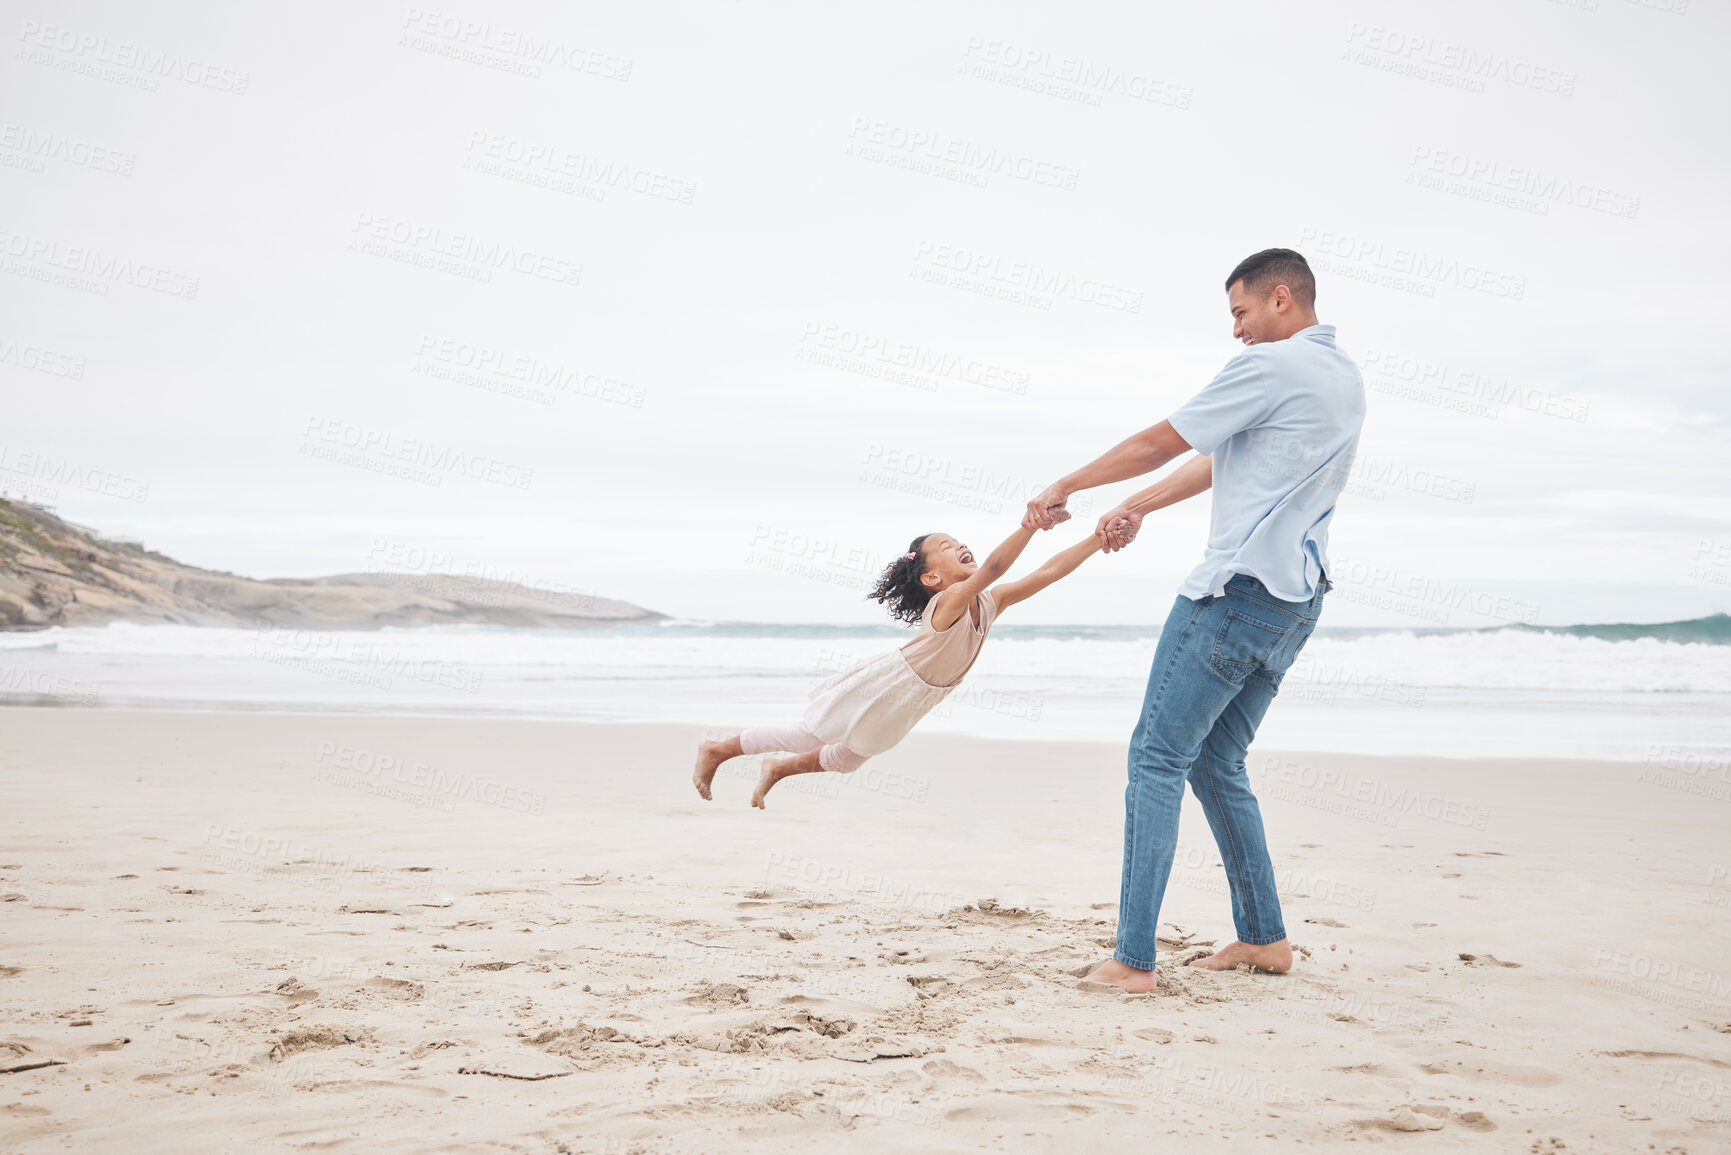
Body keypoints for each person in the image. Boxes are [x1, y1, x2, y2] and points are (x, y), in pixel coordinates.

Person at [1025, 248, 1366, 993]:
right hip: (1294, 604)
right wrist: (1136, 506)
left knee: (1155, 758)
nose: (1236, 331)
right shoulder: (1340, 376)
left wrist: (1069, 483)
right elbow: (1225, 457)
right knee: (1216, 763)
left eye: (1241, 313)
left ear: (1281, 298)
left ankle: (1132, 960)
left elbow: (1164, 438)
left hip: (1231, 597)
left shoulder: (1271, 366)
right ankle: (1263, 936)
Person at [694, 523, 1102, 808]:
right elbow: (995, 568)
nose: (959, 545)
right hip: (891, 684)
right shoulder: (950, 602)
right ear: (931, 580)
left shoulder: (991, 603)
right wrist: (1030, 525)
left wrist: (1096, 539)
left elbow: (1049, 572)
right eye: (945, 547)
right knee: (807, 734)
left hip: (920, 697)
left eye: (957, 540)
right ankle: (718, 750)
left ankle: (778, 771)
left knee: (852, 758)